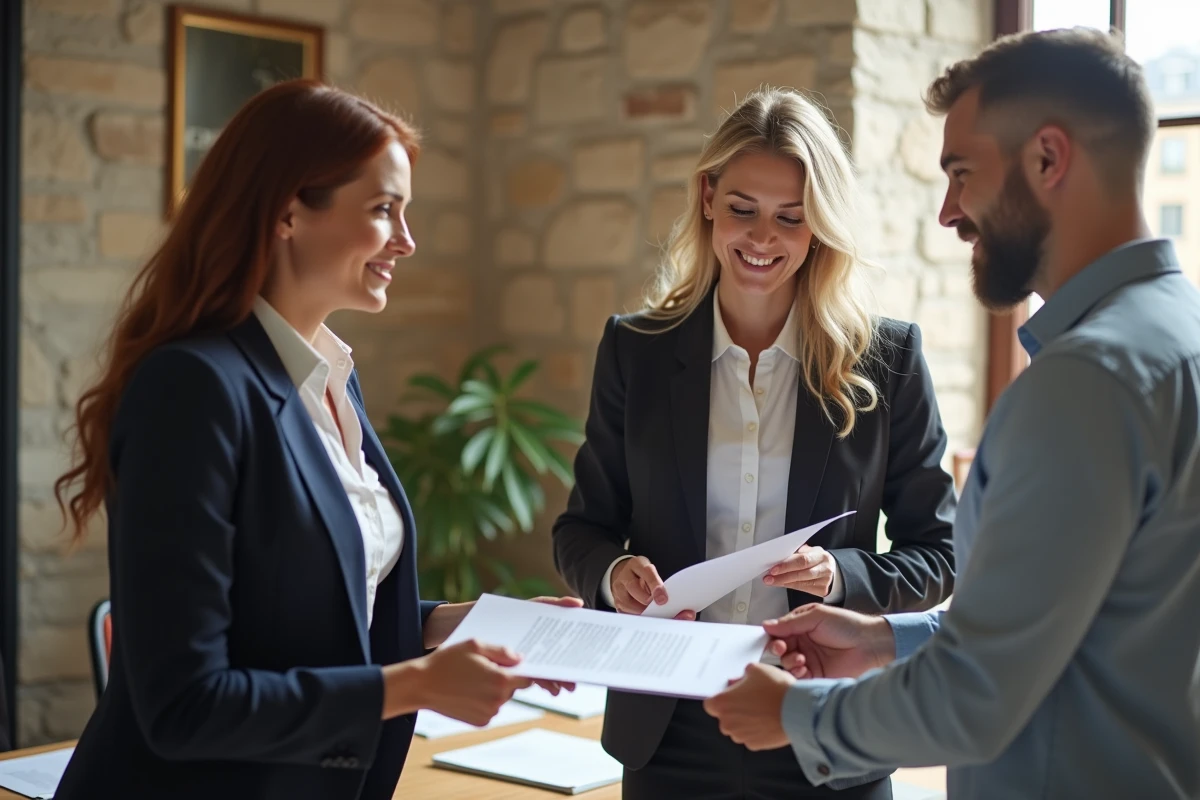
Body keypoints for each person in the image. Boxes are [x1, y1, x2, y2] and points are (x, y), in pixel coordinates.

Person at [703, 28, 1200, 800]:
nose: (947, 213)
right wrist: (885, 639)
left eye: (962, 173)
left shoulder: (1085, 382)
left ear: (1048, 158)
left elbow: (978, 695)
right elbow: (1066, 619)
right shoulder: (1179, 335)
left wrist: (797, 715)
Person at [50, 80, 578, 800]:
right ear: (288, 212)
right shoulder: (192, 388)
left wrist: (470, 624)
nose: (407, 240)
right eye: (383, 209)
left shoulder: (329, 376)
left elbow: (313, 606)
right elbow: (184, 704)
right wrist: (415, 685)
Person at [552, 86, 958, 800]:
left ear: (819, 226)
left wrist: (840, 576)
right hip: (668, 729)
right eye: (743, 209)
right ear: (708, 197)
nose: (763, 238)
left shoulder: (887, 361)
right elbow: (580, 531)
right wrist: (613, 576)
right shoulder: (636, 351)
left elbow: (940, 555)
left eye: (790, 217)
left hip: (823, 721)